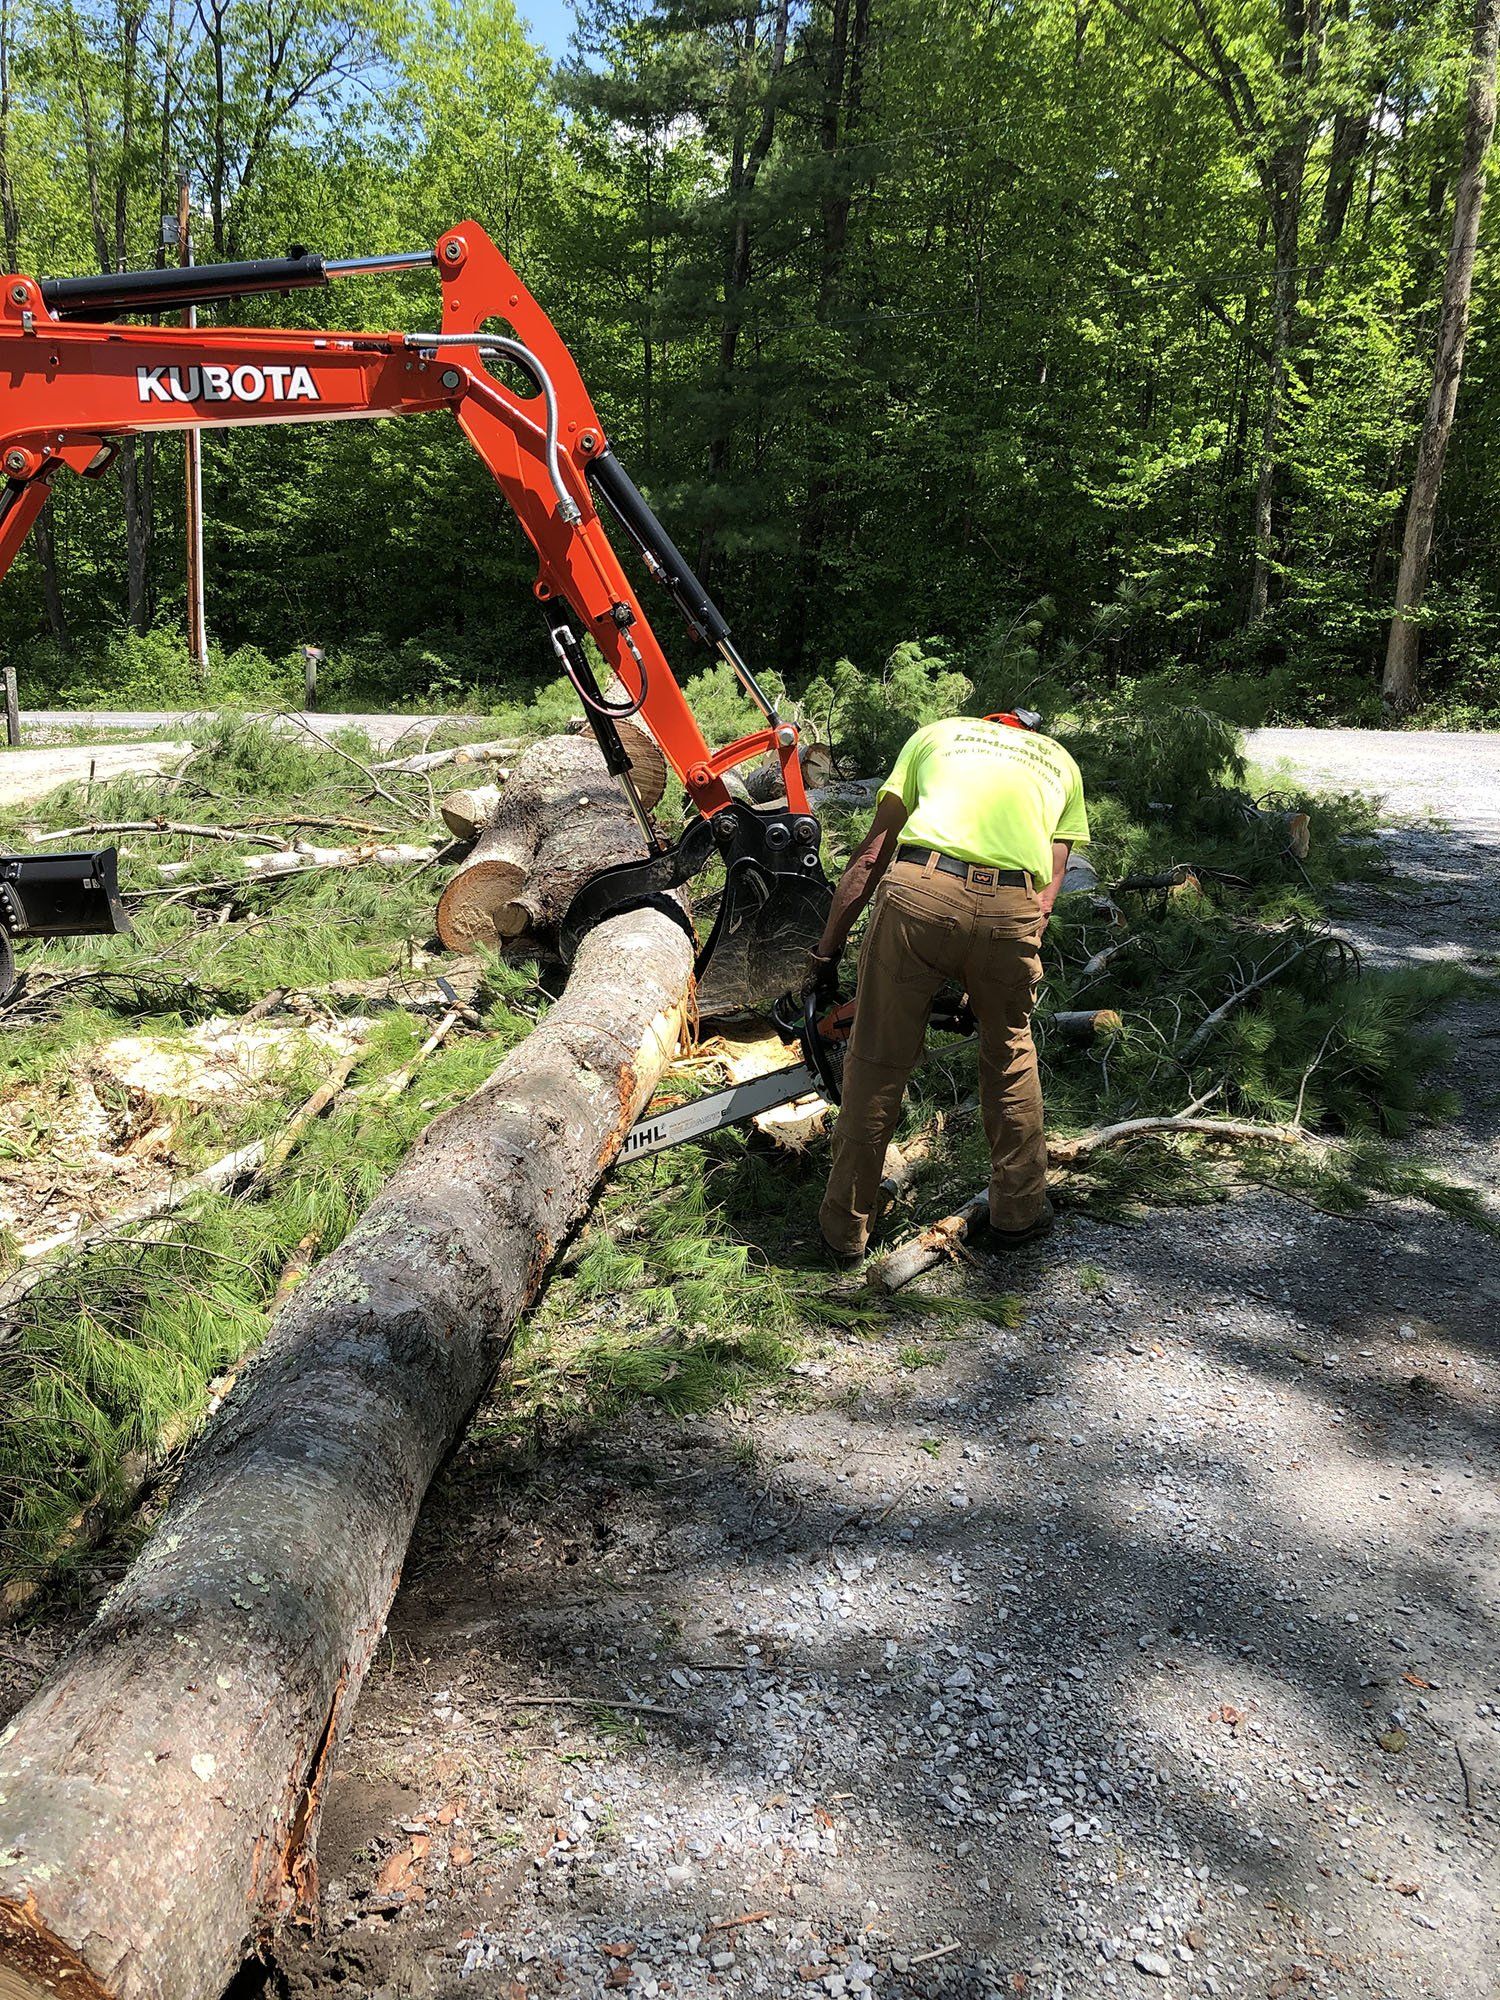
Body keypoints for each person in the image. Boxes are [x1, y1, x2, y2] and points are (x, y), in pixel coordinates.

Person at [806, 707, 1089, 1267]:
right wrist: (992, 965)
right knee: (1010, 1053)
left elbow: (872, 855)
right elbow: (1049, 888)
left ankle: (844, 1231)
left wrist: (826, 953)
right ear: (1028, 735)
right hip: (1012, 905)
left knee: (877, 1060)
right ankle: (1019, 1212)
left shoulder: (936, 735)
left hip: (920, 889)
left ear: (987, 723)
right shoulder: (1060, 761)